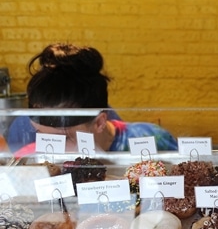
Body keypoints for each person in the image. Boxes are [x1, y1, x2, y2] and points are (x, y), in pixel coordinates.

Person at [12, 43, 177, 156]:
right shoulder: (29, 159)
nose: (50, 147)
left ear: (99, 122)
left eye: (64, 139)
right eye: (41, 134)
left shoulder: (153, 139)